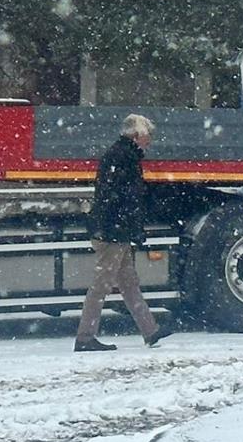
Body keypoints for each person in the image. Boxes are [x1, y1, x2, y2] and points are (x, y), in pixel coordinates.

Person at [75, 114, 175, 351]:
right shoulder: (124, 157)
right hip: (113, 233)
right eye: (148, 135)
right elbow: (126, 199)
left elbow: (117, 197)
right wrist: (130, 227)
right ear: (136, 135)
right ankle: (85, 337)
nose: (150, 140)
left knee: (129, 282)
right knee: (102, 285)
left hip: (114, 229)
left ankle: (150, 331)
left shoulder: (121, 155)